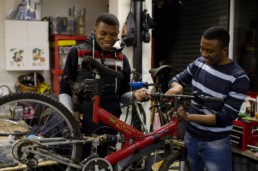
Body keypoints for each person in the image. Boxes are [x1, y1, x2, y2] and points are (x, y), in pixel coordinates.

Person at [58, 13, 149, 158]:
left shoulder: (121, 59)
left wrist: (134, 95)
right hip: (81, 125)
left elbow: (123, 96)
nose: (107, 39)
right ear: (94, 30)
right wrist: (69, 118)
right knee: (81, 163)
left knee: (106, 162)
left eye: (113, 34)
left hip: (110, 126)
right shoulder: (78, 52)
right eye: (103, 33)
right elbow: (64, 90)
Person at [165, 26, 250, 171]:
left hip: (216, 144)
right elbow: (176, 79)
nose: (204, 54)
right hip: (190, 138)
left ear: (224, 50)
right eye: (201, 49)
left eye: (210, 51)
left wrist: (189, 117)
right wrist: (177, 86)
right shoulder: (199, 63)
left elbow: (225, 117)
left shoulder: (239, 78)